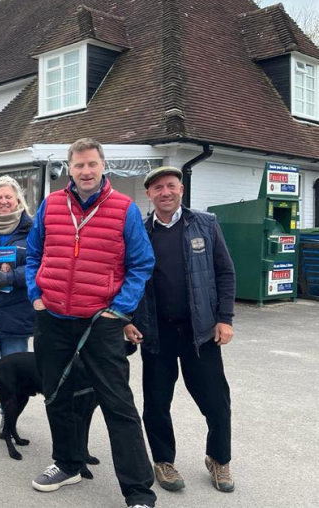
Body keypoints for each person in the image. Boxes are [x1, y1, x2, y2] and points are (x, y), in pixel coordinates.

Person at [25, 138, 158, 508]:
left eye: (92, 164)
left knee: (118, 404)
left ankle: (138, 491)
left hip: (100, 322)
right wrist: (36, 296)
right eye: (79, 165)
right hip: (53, 319)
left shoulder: (123, 208)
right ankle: (67, 463)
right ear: (70, 168)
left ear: (103, 167)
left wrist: (119, 309)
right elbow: (34, 253)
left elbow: (142, 263)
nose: (86, 171)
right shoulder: (51, 205)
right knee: (57, 397)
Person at [125, 166, 236, 493]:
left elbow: (225, 273)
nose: (165, 192)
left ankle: (219, 459)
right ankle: (163, 460)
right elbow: (127, 280)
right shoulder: (140, 232)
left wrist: (225, 318)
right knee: (156, 402)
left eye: (171, 186)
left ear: (181, 189)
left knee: (216, 401)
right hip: (155, 333)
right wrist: (128, 320)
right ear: (149, 194)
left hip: (199, 332)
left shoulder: (206, 224)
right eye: (158, 188)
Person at [0, 175, 34, 433]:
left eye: (8, 197)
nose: (3, 202)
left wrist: (10, 277)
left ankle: (7, 418)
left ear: (17, 200)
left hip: (17, 314)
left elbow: (39, 265)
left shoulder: (32, 230)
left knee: (14, 373)